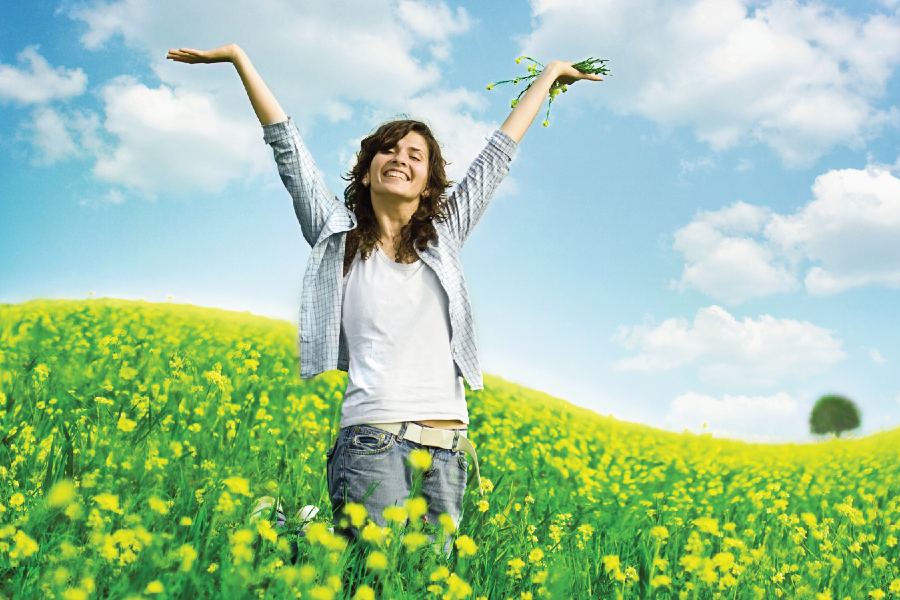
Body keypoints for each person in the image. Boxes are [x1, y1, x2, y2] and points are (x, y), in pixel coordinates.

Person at [166, 42, 602, 564]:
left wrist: (550, 74)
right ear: (368, 171)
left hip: (447, 446)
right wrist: (239, 58)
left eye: (415, 156)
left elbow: (497, 156)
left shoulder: (444, 235)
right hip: (373, 437)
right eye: (389, 151)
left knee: (420, 580)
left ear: (428, 184)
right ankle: (291, 535)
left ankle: (293, 533)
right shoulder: (338, 238)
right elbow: (289, 151)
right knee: (374, 577)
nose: (401, 159)